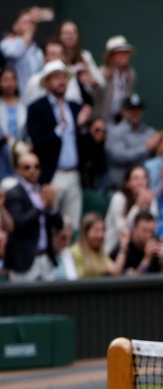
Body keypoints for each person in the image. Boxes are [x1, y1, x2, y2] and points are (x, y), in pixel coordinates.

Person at [26, 59, 88, 232]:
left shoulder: (75, 107)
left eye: (64, 77)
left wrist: (82, 127)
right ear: (46, 83)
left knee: (72, 227)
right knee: (51, 226)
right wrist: (58, 131)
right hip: (53, 176)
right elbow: (37, 142)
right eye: (56, 78)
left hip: (74, 175)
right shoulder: (37, 108)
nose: (62, 81)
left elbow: (85, 144)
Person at [4, 149, 60, 281]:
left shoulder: (44, 192)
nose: (32, 170)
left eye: (36, 166)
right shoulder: (13, 194)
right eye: (27, 167)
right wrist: (43, 205)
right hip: (23, 261)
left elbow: (59, 224)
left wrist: (51, 207)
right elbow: (19, 224)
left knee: (49, 301)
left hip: (45, 258)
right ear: (18, 169)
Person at [105, 93, 157, 189]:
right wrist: (146, 148)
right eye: (132, 109)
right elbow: (119, 156)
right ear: (124, 111)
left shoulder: (149, 132)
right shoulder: (116, 132)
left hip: (145, 185)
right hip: (121, 186)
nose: (135, 113)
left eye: (138, 109)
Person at [105, 164, 156, 253]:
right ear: (127, 183)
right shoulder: (119, 198)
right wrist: (137, 206)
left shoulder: (150, 197)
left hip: (139, 249)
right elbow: (122, 230)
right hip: (114, 248)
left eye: (143, 178)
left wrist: (148, 208)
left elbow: (152, 228)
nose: (140, 182)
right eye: (136, 178)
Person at [23, 39, 88, 105]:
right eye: (53, 54)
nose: (57, 58)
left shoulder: (70, 79)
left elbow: (75, 102)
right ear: (44, 57)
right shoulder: (34, 81)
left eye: (60, 54)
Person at [1, 7, 51, 91]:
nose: (29, 25)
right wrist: (28, 34)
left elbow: (50, 14)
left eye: (31, 22)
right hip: (16, 98)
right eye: (25, 22)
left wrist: (41, 13)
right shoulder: (7, 44)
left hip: (35, 97)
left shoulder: (38, 52)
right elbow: (15, 53)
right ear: (15, 26)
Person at [93, 36, 136, 126]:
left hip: (120, 123)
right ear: (111, 56)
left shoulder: (131, 75)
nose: (124, 56)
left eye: (126, 53)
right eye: (120, 53)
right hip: (100, 123)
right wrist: (97, 120)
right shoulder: (101, 73)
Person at [56, 20, 102, 100]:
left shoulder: (85, 55)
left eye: (73, 33)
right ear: (60, 35)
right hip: (65, 101)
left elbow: (101, 81)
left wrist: (92, 80)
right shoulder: (55, 55)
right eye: (66, 33)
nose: (70, 36)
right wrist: (75, 68)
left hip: (86, 102)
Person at [114, 209, 163, 274]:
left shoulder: (155, 243)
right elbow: (131, 282)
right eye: (144, 231)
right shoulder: (124, 248)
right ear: (134, 229)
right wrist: (147, 259)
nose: (148, 236)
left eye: (151, 231)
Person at [70, 210, 122, 276]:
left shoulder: (100, 254)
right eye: (96, 231)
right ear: (85, 232)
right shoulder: (74, 252)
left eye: (103, 230)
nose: (100, 235)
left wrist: (123, 246)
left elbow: (116, 271)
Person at [0, 67, 26, 180]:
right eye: (5, 79)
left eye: (12, 79)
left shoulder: (23, 105)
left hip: (20, 154)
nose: (9, 83)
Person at [77, 115, 106, 189]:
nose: (100, 134)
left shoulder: (103, 150)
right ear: (90, 128)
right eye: (97, 130)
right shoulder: (81, 145)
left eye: (103, 131)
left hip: (94, 187)